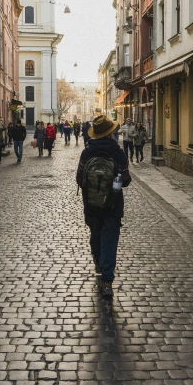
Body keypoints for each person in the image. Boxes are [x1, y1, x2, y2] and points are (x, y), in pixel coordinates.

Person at [76, 115, 131, 299]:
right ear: (110, 133)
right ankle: (106, 281)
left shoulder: (87, 152)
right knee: (110, 240)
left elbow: (79, 178)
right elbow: (126, 180)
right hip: (113, 206)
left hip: (91, 205)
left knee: (96, 235)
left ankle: (98, 261)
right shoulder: (118, 153)